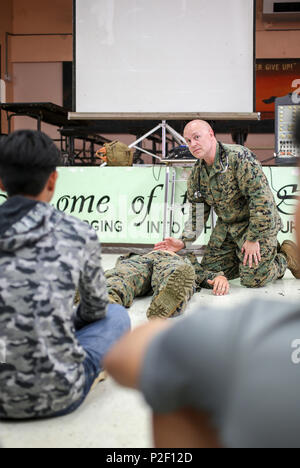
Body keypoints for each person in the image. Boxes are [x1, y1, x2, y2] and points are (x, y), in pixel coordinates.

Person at [104, 184, 300, 448]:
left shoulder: (182, 259)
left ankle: (164, 298)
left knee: (176, 274)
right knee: (121, 278)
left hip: (174, 263)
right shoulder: (135, 257)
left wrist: (213, 276)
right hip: (139, 263)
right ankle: (109, 296)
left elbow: (200, 272)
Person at [0, 130, 130, 420]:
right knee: (116, 314)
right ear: (53, 179)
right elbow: (95, 309)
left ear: (1, 181)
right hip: (58, 393)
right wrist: (67, 319)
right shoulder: (77, 232)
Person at [154, 120, 300, 287]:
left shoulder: (238, 157)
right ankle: (250, 259)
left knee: (253, 278)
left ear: (211, 134)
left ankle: (284, 258)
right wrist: (183, 241)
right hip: (228, 227)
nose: (192, 144)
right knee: (209, 273)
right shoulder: (196, 174)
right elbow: (198, 214)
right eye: (188, 141)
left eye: (196, 137)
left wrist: (253, 239)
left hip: (256, 224)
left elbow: (261, 200)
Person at [105, 249, 230, 320]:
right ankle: (107, 298)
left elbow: (202, 275)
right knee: (124, 274)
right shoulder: (141, 253)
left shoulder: (185, 256)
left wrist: (219, 277)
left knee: (177, 272)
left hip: (172, 260)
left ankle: (165, 302)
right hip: (142, 260)